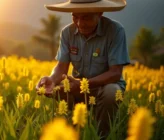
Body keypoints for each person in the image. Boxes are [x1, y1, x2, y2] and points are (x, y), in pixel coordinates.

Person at [36, 0, 130, 138]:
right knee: (57, 89)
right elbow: (61, 67)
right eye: (75, 17)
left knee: (112, 92)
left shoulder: (115, 31)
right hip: (76, 86)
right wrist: (51, 79)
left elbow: (115, 73)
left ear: (99, 13)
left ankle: (102, 135)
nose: (79, 23)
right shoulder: (67, 32)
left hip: (104, 86)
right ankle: (73, 128)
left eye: (86, 17)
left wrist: (83, 84)